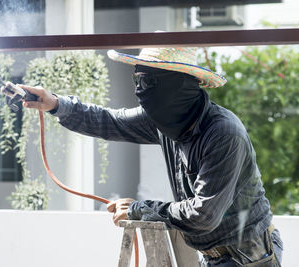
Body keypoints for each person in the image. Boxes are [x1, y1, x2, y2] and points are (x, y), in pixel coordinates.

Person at [18, 47, 283, 267]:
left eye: (148, 82)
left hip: (249, 256)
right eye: (137, 81)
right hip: (212, 255)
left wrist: (139, 209)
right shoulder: (163, 120)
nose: (140, 91)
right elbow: (109, 121)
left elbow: (204, 215)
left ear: (177, 86)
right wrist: (55, 104)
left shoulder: (223, 133)